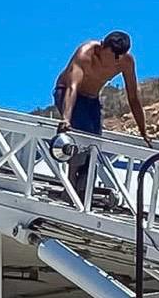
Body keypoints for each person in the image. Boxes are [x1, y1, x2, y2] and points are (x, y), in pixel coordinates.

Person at [53, 31, 151, 195]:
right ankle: (70, 187)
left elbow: (133, 97)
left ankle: (84, 187)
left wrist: (143, 130)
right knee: (80, 135)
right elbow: (72, 87)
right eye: (114, 55)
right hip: (68, 93)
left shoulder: (125, 61)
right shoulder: (85, 53)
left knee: (94, 145)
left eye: (121, 55)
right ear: (103, 47)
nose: (117, 60)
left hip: (91, 99)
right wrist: (66, 119)